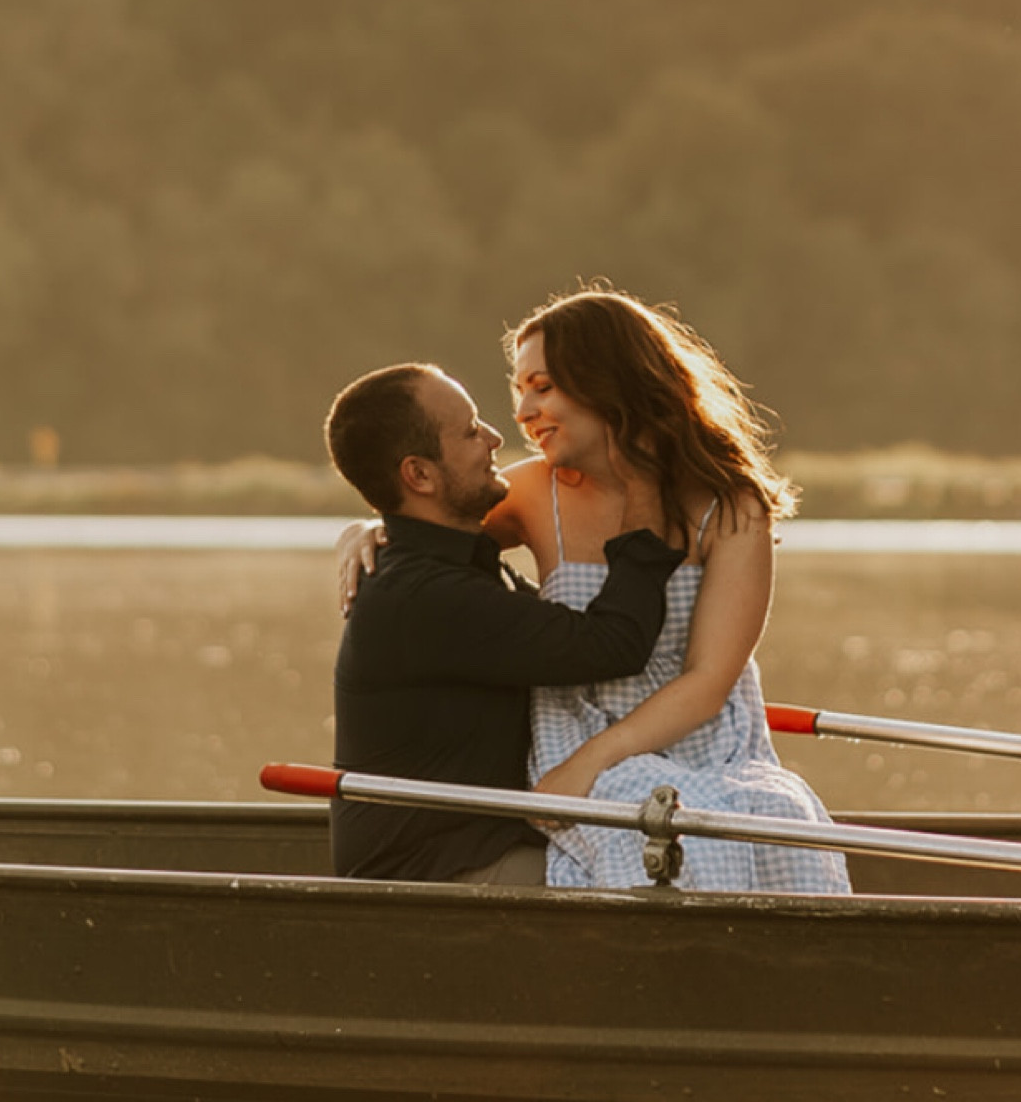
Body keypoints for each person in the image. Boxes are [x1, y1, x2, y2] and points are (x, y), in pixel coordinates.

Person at [339, 289, 850, 894]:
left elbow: (709, 681)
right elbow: (427, 521)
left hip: (705, 744)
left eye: (542, 387)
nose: (521, 413)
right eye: (519, 389)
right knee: (653, 827)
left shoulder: (733, 507)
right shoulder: (533, 494)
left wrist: (595, 760)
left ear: (609, 384)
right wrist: (365, 529)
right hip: (576, 742)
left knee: (776, 824)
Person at [323, 359, 685, 885]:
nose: (494, 438)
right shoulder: (425, 596)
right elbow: (614, 645)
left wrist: (368, 524)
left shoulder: (451, 564)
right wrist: (646, 491)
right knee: (660, 883)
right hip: (437, 874)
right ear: (419, 475)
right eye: (470, 431)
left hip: (489, 844)